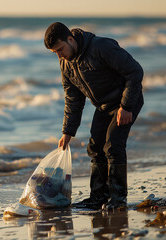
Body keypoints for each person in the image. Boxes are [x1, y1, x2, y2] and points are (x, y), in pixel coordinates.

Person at [44, 22, 144, 210]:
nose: (59, 55)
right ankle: (98, 197)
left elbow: (135, 71)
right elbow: (73, 98)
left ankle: (118, 199)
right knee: (95, 147)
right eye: (55, 53)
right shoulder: (65, 63)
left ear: (70, 39)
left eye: (60, 49)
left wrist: (126, 106)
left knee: (113, 145)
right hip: (104, 106)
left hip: (126, 100)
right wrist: (67, 132)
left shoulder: (100, 47)